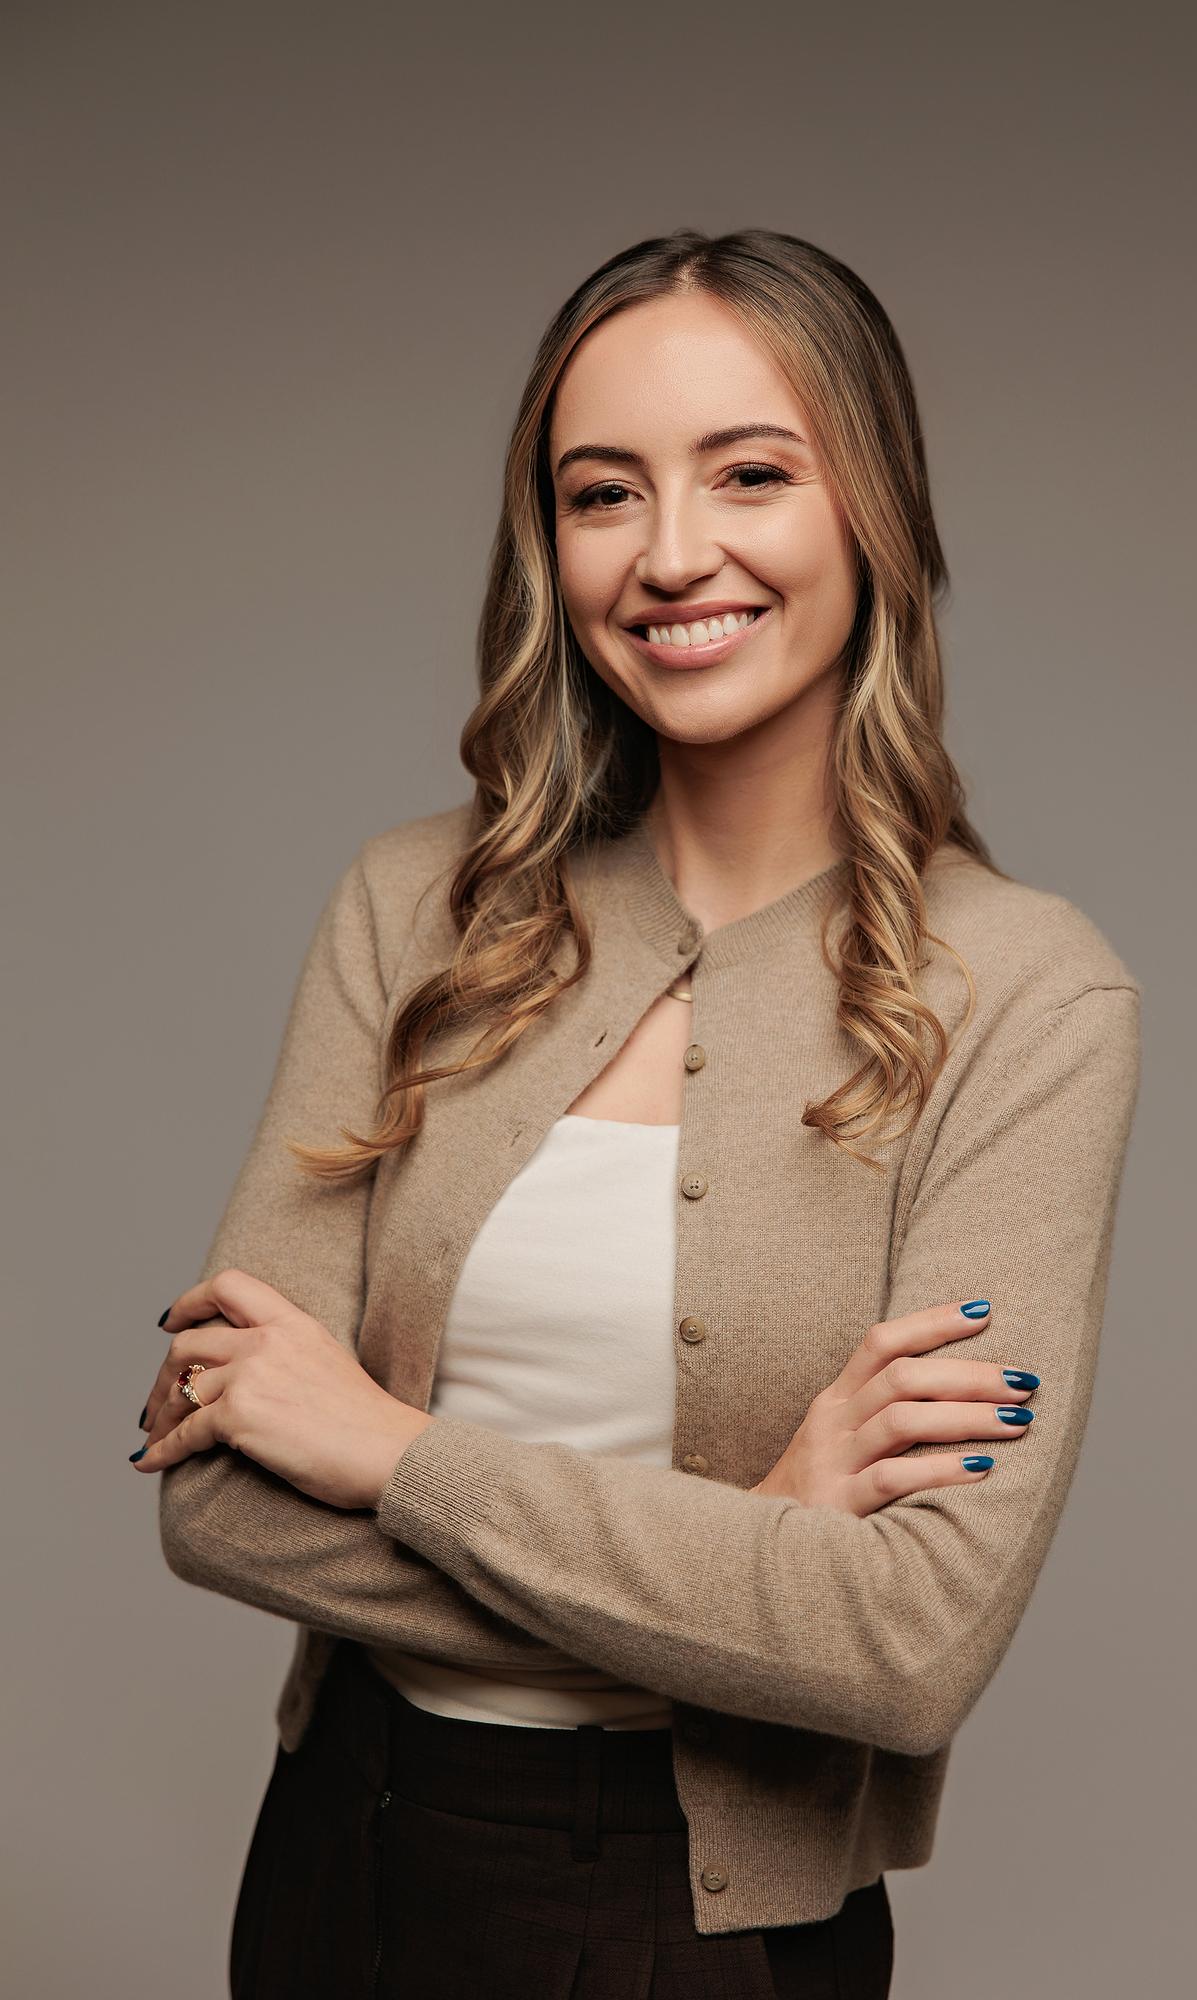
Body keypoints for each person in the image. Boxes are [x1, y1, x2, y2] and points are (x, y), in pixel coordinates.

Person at [130, 226, 1142, 1999]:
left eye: (751, 473)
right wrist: (751, 1556)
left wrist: (385, 1450)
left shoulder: (1027, 993)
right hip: (339, 1852)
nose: (674, 555)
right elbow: (216, 1504)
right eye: (604, 493)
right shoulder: (410, 909)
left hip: (700, 1920)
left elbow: (902, 1642)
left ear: (872, 512)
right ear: (551, 545)